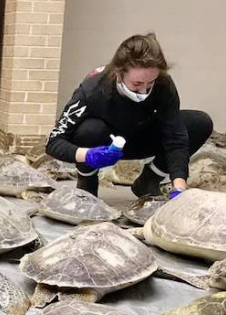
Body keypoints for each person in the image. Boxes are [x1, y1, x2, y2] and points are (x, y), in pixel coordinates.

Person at [46, 33, 213, 199]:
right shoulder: (93, 89)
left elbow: (175, 137)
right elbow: (54, 142)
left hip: (142, 136)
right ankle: (87, 182)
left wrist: (180, 187)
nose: (144, 91)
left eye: (150, 83)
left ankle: (149, 180)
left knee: (199, 123)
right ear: (118, 73)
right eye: (137, 84)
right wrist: (89, 155)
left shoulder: (163, 84)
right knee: (88, 130)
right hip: (106, 144)